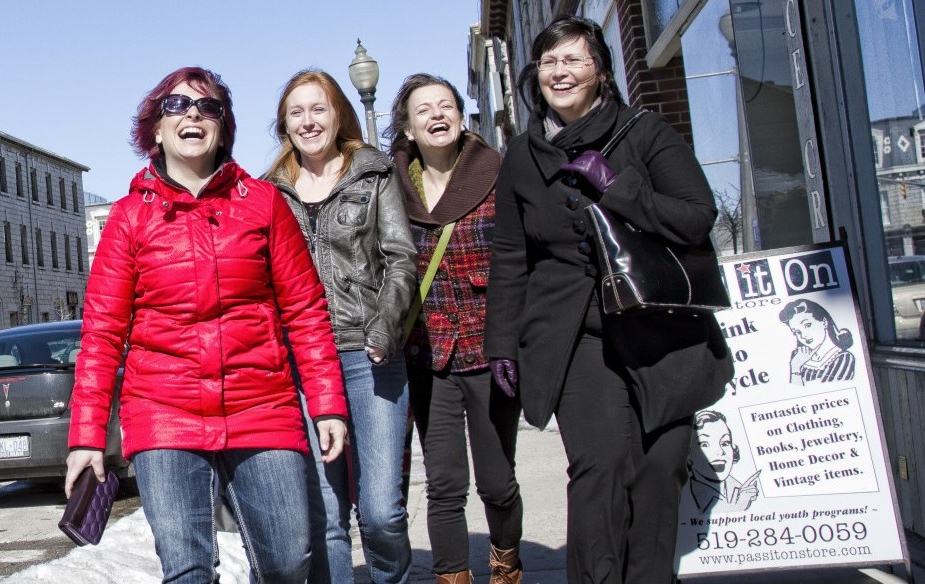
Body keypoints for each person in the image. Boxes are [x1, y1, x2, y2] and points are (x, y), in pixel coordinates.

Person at [65, 66, 350, 584]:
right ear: (155, 128)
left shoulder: (264, 205)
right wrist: (86, 436)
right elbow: (103, 333)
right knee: (188, 570)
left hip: (261, 405)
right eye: (176, 106)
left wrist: (327, 402)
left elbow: (306, 311)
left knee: (290, 561)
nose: (193, 113)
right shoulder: (129, 219)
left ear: (224, 127)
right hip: (163, 413)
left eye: (208, 106)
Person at [486, 16, 733, 584]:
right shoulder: (523, 155)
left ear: (600, 71)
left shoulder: (645, 131)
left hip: (661, 330)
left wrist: (619, 188)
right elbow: (510, 256)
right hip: (577, 338)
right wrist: (502, 342)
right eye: (548, 62)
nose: (559, 71)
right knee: (599, 469)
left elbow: (697, 217)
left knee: (659, 468)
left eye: (572, 60)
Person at [262, 69, 417, 584]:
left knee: (381, 512)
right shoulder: (268, 193)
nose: (309, 121)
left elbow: (401, 259)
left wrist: (385, 326)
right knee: (325, 517)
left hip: (369, 357)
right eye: (296, 112)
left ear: (338, 114)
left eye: (318, 108)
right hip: (303, 365)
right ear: (284, 123)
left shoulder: (373, 173)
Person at [387, 73, 523, 584]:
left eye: (446, 105)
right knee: (444, 484)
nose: (436, 115)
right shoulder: (392, 187)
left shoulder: (498, 171)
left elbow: (520, 257)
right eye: (423, 109)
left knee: (497, 482)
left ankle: (507, 567)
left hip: (490, 352)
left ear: (462, 117)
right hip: (428, 355)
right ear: (406, 125)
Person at [685, 410, 759, 515]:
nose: (720, 451)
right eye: (704, 444)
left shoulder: (737, 487)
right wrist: (738, 508)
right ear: (688, 455)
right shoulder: (686, 496)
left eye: (725, 443)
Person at [779, 299, 856, 384]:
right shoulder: (797, 357)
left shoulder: (843, 357)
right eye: (797, 332)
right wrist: (795, 367)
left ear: (824, 322)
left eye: (807, 325)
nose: (803, 335)